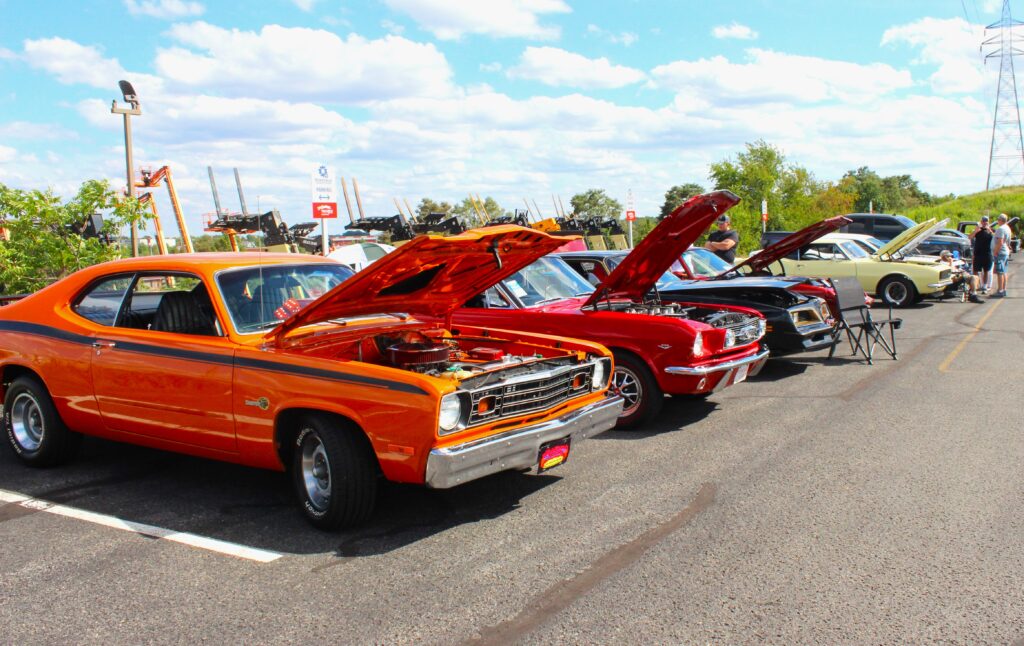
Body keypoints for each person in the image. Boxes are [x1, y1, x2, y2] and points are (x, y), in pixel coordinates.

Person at [969, 215, 994, 294]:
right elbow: (970, 237)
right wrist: (976, 231)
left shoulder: (990, 230)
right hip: (978, 253)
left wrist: (989, 230)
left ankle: (984, 286)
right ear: (981, 221)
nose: (984, 223)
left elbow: (994, 238)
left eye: (986, 221)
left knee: (986, 270)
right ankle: (975, 286)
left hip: (987, 254)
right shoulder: (978, 230)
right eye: (983, 221)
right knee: (976, 271)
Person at [990, 213, 1012, 298]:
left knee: (1000, 272)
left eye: (998, 220)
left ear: (1000, 220)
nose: (997, 221)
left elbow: (1000, 241)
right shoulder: (1007, 228)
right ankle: (1004, 289)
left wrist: (995, 252)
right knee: (1004, 271)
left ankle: (1000, 290)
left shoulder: (1001, 229)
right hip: (1005, 251)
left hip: (1000, 253)